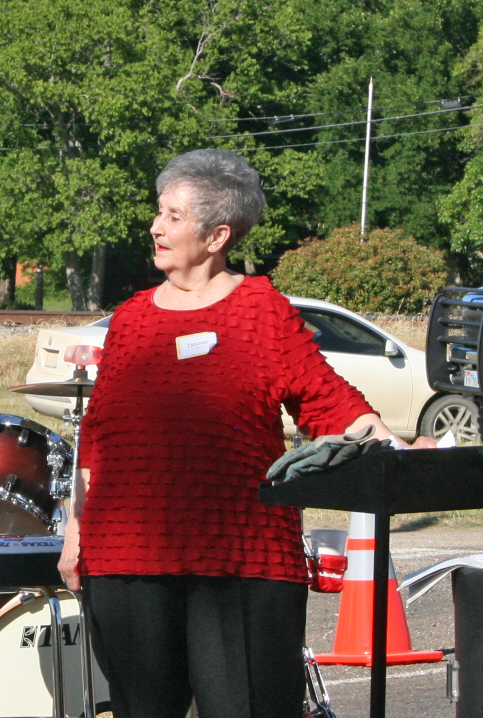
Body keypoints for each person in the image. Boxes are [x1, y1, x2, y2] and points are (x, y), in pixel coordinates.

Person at [57, 149, 436, 718]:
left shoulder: (261, 309)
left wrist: (404, 453)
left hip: (240, 561)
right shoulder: (131, 317)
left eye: (174, 216)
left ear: (217, 236)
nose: (156, 227)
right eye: (159, 212)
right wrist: (74, 532)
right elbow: (101, 433)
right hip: (126, 557)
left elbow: (332, 405)